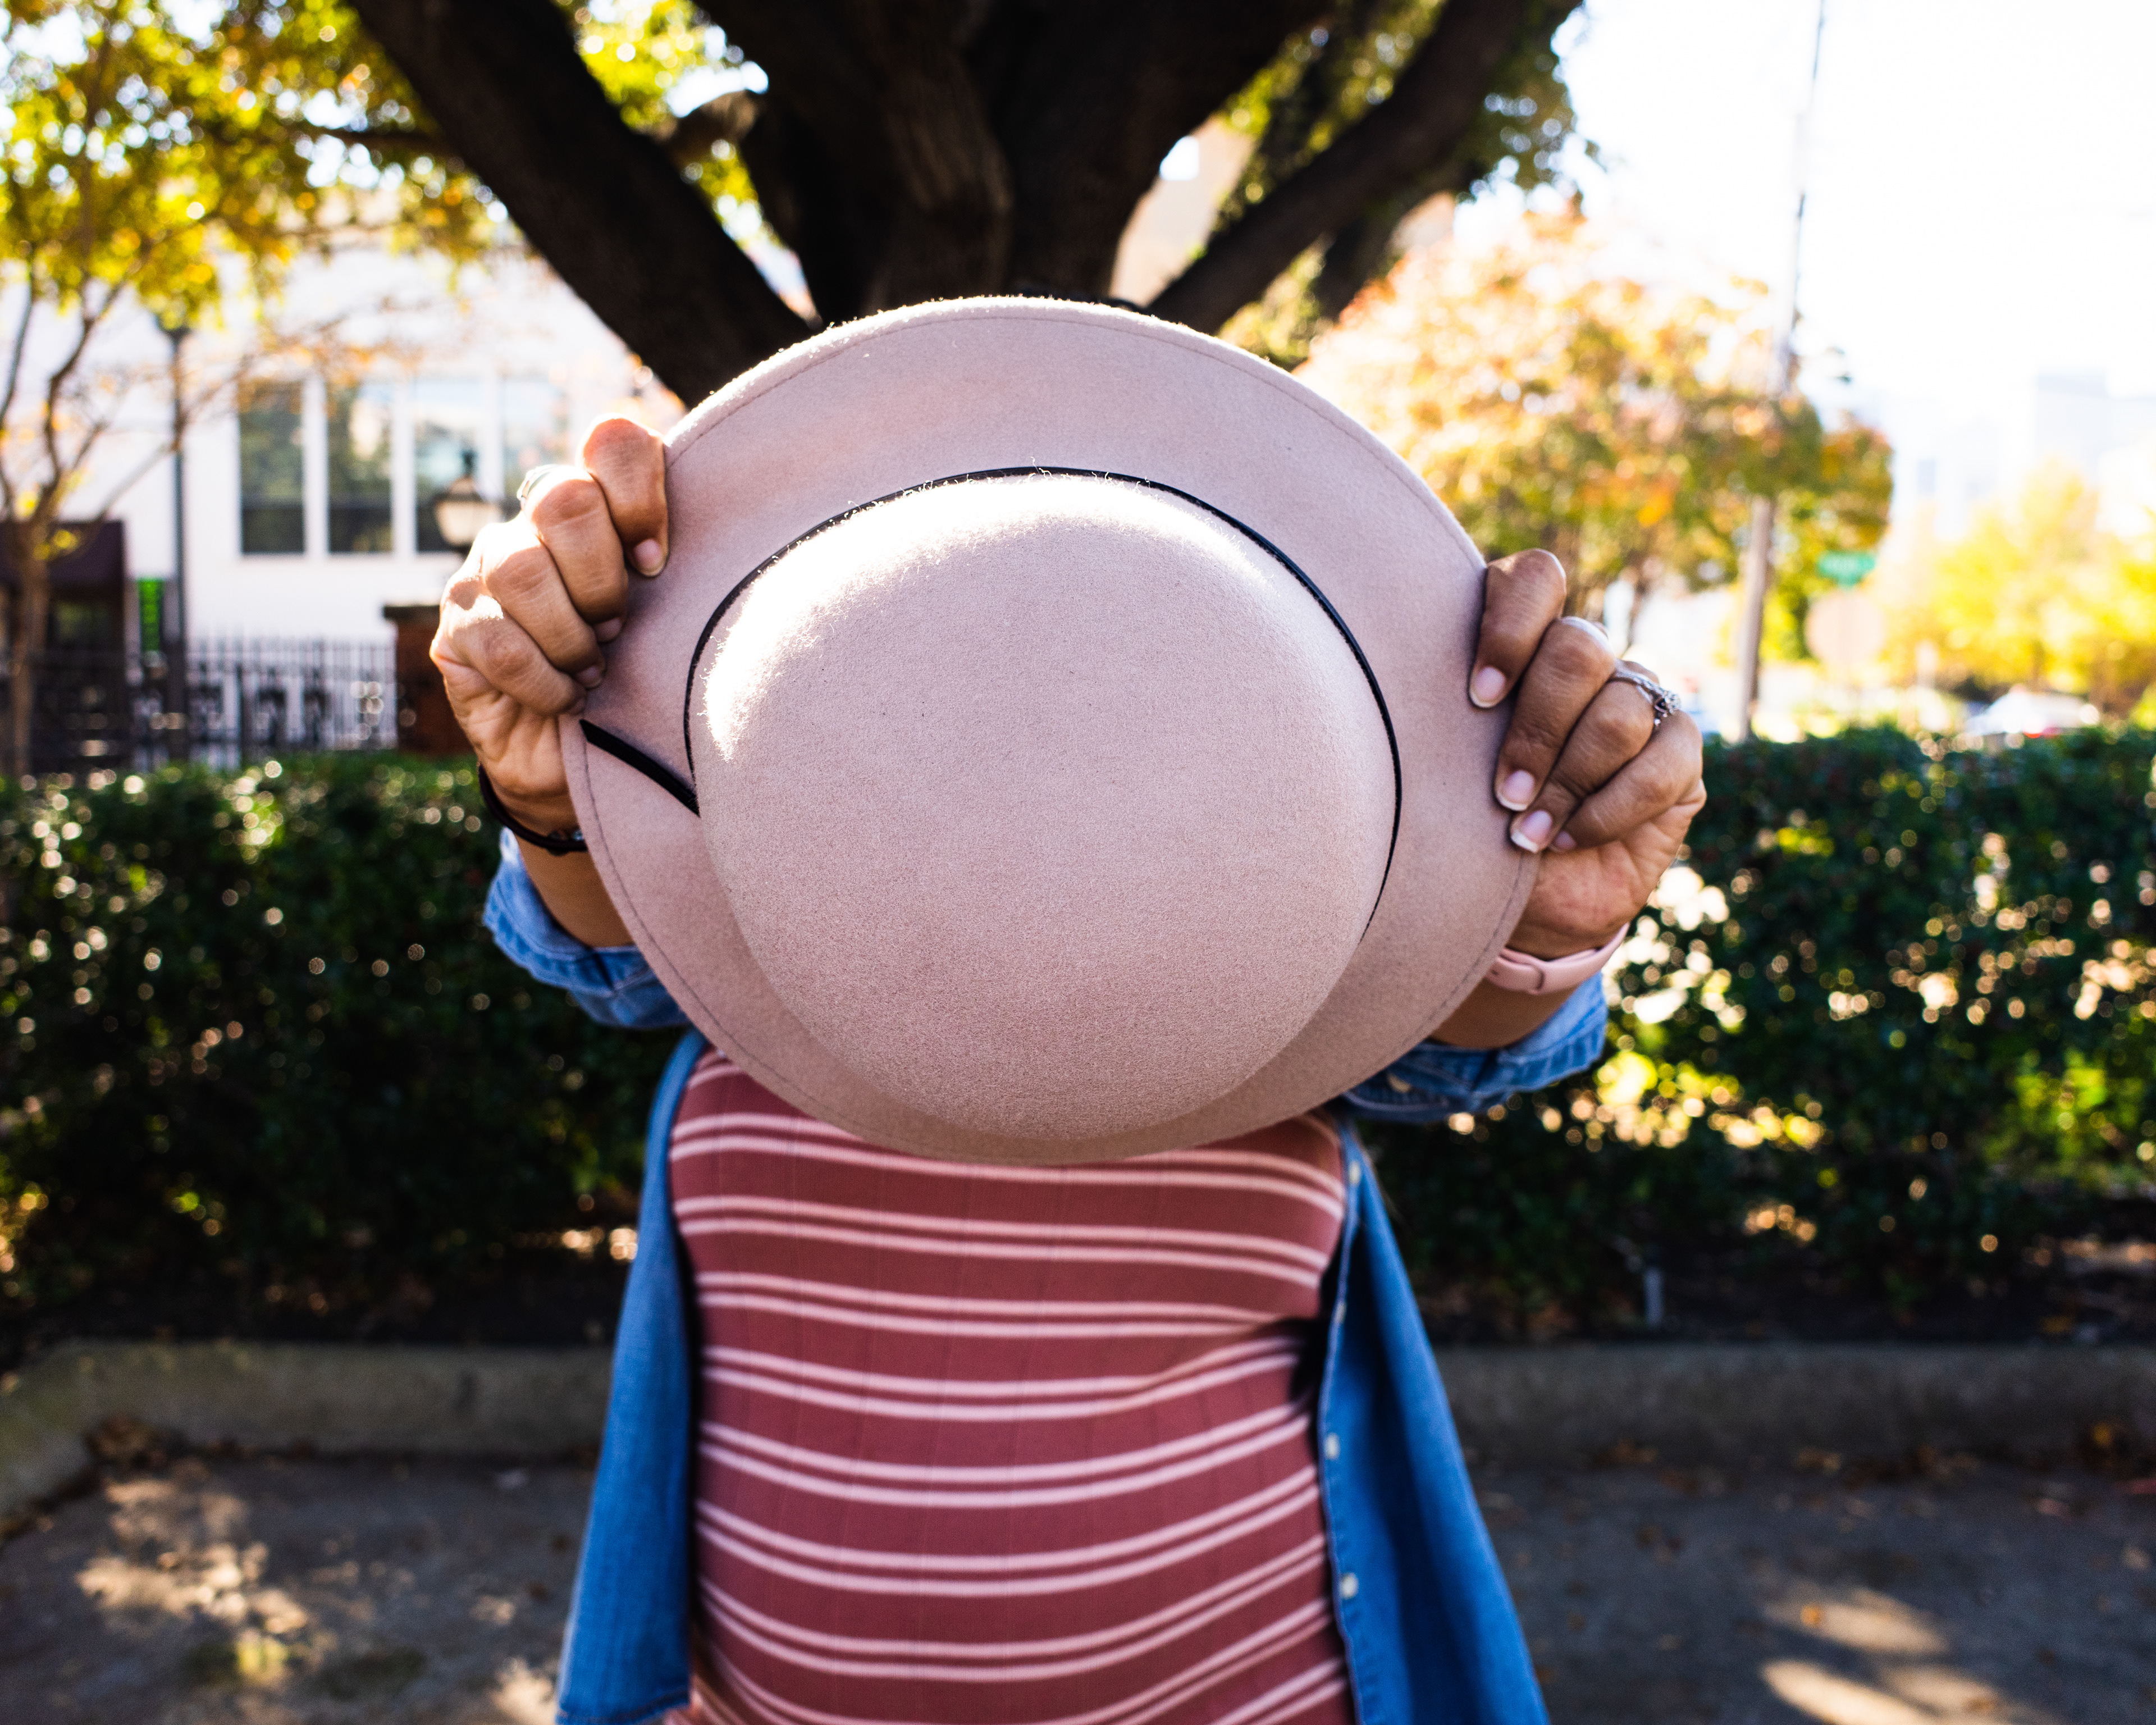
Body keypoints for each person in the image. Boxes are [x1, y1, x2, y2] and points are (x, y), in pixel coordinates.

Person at [439, 308, 1703, 1725]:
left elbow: (1458, 1060)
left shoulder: (1297, 982)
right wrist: (552, 791)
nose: (1029, 807)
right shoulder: (753, 945)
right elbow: (607, 956)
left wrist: (1539, 919)